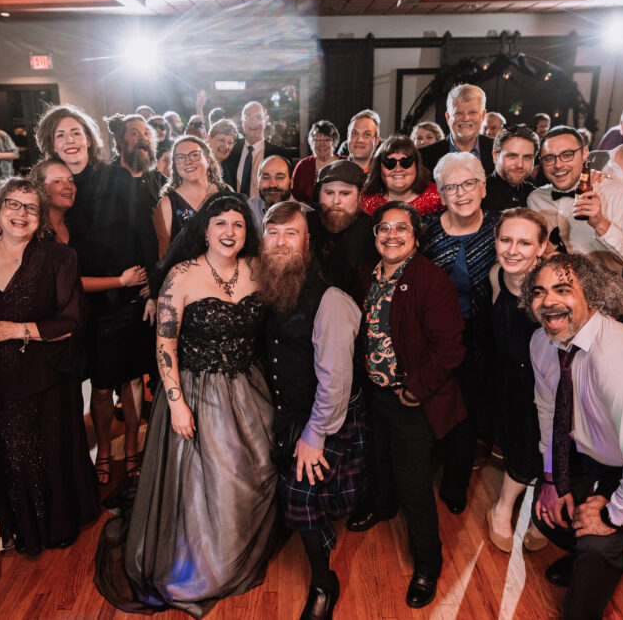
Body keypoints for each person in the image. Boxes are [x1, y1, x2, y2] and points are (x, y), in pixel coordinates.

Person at [95, 193, 277, 618]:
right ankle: (208, 565)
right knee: (214, 477)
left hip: (250, 387)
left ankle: (240, 545)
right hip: (197, 390)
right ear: (205, 230)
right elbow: (165, 347)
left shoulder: (257, 269)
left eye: (238, 224)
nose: (230, 231)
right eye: (221, 224)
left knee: (260, 468)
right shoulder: (182, 275)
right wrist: (176, 404)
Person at [524, 253, 623, 620]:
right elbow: (550, 413)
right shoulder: (541, 343)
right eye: (539, 292)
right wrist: (552, 476)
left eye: (563, 289)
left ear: (593, 296)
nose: (548, 301)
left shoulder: (617, 358)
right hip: (592, 446)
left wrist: (611, 517)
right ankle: (587, 561)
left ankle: (588, 589)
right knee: (548, 508)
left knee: (599, 543)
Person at [0, 177, 98, 556]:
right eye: (13, 204)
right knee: (10, 453)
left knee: (50, 451)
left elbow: (72, 321)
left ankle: (56, 525)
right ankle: (24, 526)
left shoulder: (60, 258)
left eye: (31, 208)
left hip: (46, 374)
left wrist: (15, 330)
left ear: (41, 218)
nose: (21, 214)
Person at [35, 104, 158, 487]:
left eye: (76, 132)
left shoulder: (117, 178)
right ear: (50, 145)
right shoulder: (51, 189)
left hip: (130, 291)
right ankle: (103, 449)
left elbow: (145, 231)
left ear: (89, 138)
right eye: (61, 135)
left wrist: (152, 285)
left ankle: (133, 448)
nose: (70, 141)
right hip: (86, 300)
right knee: (101, 385)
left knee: (133, 380)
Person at [353, 201, 466, 609]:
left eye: (402, 229)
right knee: (378, 461)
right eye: (384, 228)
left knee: (414, 483)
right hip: (375, 392)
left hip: (411, 398)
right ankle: (382, 508)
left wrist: (415, 390)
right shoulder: (367, 275)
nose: (392, 235)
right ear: (375, 235)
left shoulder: (430, 280)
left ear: (416, 238)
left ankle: (427, 564)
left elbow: (451, 349)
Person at [258, 200, 366, 620]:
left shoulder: (331, 301)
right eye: (274, 233)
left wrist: (315, 435)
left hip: (328, 415)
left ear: (307, 243)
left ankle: (324, 581)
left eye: (292, 234)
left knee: (299, 494)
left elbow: (336, 384)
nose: (281, 242)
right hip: (288, 411)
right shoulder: (267, 285)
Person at [420, 152, 499, 513]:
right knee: (427, 407)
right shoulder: (426, 230)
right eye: (452, 186)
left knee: (465, 414)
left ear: (483, 187)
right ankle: (420, 478)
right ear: (440, 192)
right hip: (431, 337)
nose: (461, 192)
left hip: (481, 337)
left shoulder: (501, 228)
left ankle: (455, 487)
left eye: (469, 183)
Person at [484, 208, 550, 554]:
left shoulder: (555, 287)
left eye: (525, 242)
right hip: (509, 377)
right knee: (517, 444)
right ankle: (502, 508)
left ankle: (537, 513)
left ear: (542, 248)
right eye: (506, 240)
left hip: (549, 384)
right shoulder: (496, 275)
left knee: (545, 446)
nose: (512, 249)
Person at [528, 126, 623, 278]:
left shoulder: (616, 193)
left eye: (567, 155)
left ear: (584, 154)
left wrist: (600, 223)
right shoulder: (535, 199)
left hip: (601, 299)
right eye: (549, 158)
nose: (558, 165)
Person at [305, 160, 377, 299]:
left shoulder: (373, 232)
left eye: (345, 193)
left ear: (359, 196)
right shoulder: (305, 224)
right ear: (319, 194)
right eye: (329, 192)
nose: (336, 201)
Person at [154, 135, 227, 257]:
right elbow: (163, 257)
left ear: (208, 161)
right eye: (180, 157)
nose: (188, 161)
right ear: (175, 166)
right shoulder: (167, 205)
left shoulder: (226, 191)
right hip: (186, 274)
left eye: (194, 155)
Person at [419, 84, 496, 175]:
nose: (466, 118)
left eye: (472, 113)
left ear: (483, 116)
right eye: (458, 113)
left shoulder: (499, 152)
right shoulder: (423, 157)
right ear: (448, 118)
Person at [360, 135, 443, 216]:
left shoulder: (438, 198)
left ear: (416, 165)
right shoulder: (364, 200)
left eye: (405, 162)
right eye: (390, 163)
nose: (398, 169)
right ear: (379, 168)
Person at [221, 101, 291, 197]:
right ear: (242, 122)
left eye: (258, 117)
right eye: (247, 117)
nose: (252, 122)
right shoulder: (230, 150)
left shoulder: (280, 154)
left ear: (265, 122)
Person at [107, 113, 168, 214]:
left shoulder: (162, 182)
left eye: (146, 133)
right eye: (134, 133)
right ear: (120, 142)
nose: (143, 138)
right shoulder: (103, 180)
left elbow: (181, 211)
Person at [483, 124, 539, 212]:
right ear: (495, 157)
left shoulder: (535, 195)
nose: (520, 165)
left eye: (527, 157)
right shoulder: (477, 196)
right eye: (512, 156)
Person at [247, 154, 307, 224]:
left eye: (280, 178)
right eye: (266, 178)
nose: (272, 184)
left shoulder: (306, 216)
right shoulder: (247, 209)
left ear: (291, 183)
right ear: (257, 182)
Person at [292, 120, 341, 204]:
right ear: (311, 142)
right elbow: (294, 197)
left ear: (334, 142)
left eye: (326, 140)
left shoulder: (345, 163)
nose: (322, 144)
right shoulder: (303, 165)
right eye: (317, 140)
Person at [29, 159, 75, 245]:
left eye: (70, 181)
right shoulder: (31, 231)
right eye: (57, 181)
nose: (68, 186)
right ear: (40, 188)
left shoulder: (78, 225)